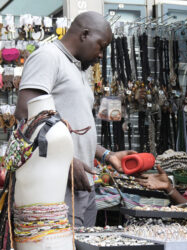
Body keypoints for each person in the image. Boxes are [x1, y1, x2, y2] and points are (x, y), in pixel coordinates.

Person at [15, 11, 135, 227]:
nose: (101, 55)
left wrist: (107, 155)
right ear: (84, 34)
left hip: (82, 186)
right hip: (57, 183)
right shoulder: (48, 57)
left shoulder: (76, 68)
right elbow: (25, 114)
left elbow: (76, 129)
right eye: (101, 45)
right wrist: (63, 160)